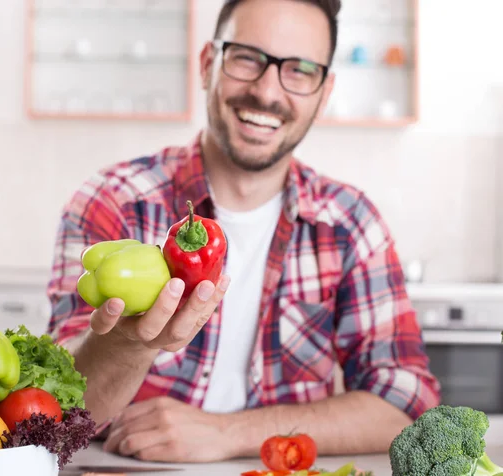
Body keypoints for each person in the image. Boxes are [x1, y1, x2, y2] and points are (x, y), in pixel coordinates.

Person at [46, 0, 441, 464]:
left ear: (324, 90)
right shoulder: (113, 201)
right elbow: (57, 410)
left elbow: (406, 403)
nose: (267, 92)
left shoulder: (352, 224)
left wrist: (231, 432)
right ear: (208, 64)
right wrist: (128, 345)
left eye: (299, 69)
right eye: (248, 58)